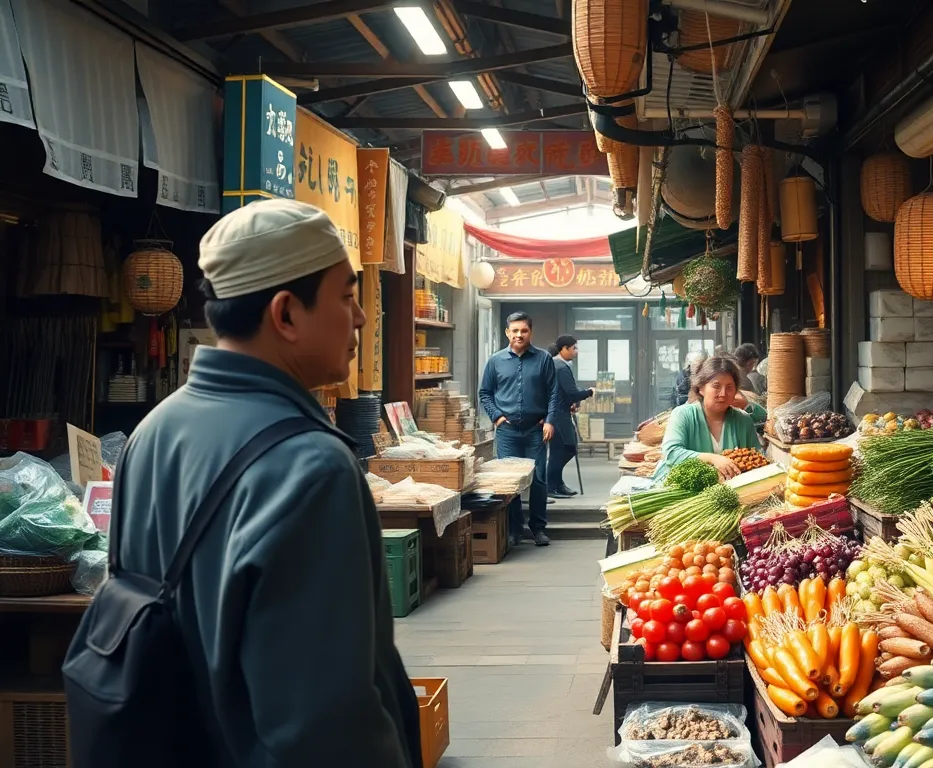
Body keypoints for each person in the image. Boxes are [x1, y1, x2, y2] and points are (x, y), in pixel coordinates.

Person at [65, 200, 421, 765]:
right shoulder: (311, 466)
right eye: (347, 297)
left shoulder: (154, 430)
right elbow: (323, 723)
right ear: (285, 315)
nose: (358, 319)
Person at [479, 312, 565, 547]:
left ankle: (538, 528)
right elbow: (484, 393)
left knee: (538, 479)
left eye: (523, 331)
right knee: (510, 482)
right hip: (507, 431)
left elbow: (554, 393)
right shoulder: (495, 361)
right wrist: (496, 418)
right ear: (507, 332)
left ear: (530, 332)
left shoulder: (543, 359)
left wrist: (549, 420)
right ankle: (514, 529)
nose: (519, 335)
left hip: (535, 430)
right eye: (514, 331)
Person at [653, 356, 762, 482]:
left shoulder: (743, 420)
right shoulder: (683, 415)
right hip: (686, 491)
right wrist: (712, 459)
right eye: (716, 386)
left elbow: (757, 457)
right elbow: (671, 453)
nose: (723, 393)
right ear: (701, 388)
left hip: (731, 493)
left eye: (729, 387)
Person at [547, 335, 593, 498]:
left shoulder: (556, 364)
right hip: (558, 415)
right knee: (564, 449)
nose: (576, 352)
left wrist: (570, 402)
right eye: (574, 348)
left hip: (561, 411)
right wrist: (589, 392)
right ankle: (550, 484)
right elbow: (572, 392)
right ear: (564, 348)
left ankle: (557, 483)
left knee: (563, 449)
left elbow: (562, 392)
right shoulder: (560, 366)